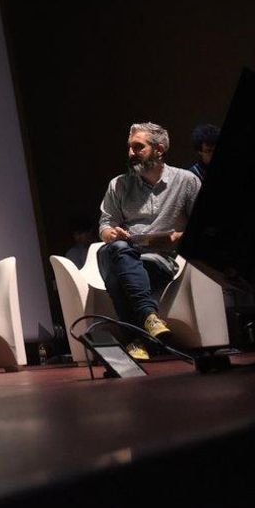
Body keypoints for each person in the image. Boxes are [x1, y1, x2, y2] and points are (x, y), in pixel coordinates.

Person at [98, 122, 201, 360]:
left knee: (115, 272)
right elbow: (105, 223)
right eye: (129, 147)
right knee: (116, 249)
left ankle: (135, 339)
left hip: (160, 260)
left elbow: (203, 227)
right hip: (125, 251)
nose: (131, 153)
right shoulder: (119, 184)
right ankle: (149, 317)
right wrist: (110, 234)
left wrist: (178, 237)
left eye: (138, 147)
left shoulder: (186, 181)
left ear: (160, 150)